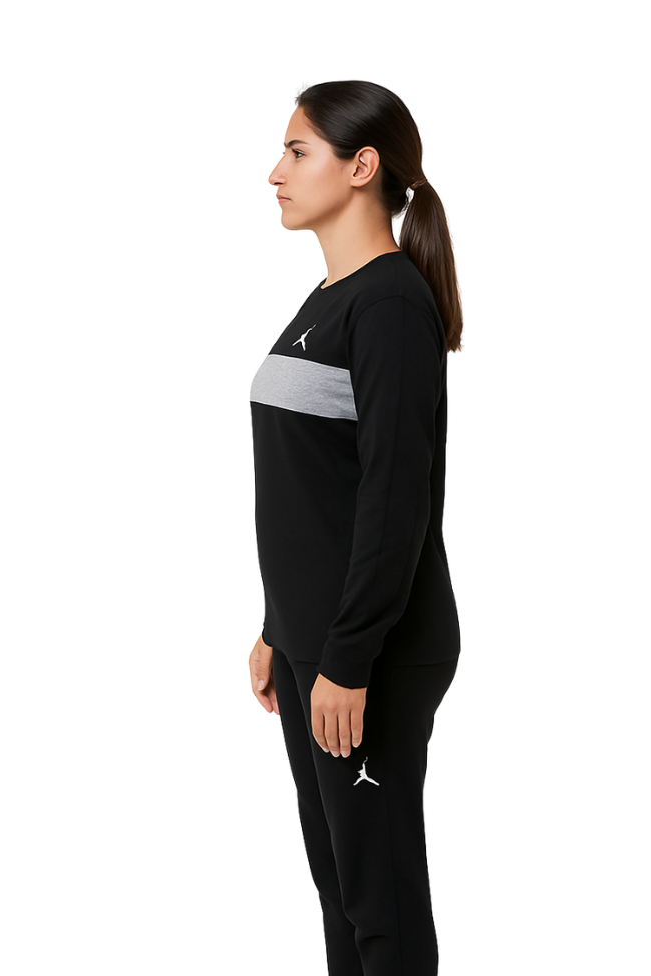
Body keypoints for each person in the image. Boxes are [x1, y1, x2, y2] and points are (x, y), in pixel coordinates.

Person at [246, 78, 464, 976]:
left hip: (368, 651)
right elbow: (310, 493)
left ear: (362, 165)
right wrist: (278, 629)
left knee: (380, 903)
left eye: (296, 151)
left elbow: (393, 500)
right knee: (341, 893)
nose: (275, 171)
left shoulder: (390, 306)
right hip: (315, 643)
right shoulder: (330, 302)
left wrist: (346, 658)